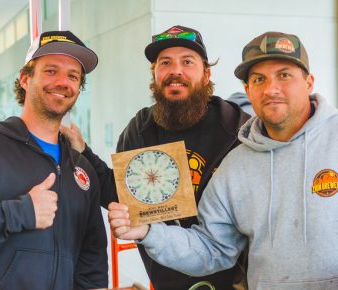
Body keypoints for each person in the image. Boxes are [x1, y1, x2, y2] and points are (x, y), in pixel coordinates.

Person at [109, 31, 338, 289]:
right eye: (259, 79)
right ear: (248, 89)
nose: (271, 89)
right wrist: (147, 232)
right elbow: (213, 247)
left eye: (284, 75)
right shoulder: (236, 165)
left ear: (309, 82)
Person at [63, 25, 250, 290]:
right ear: (155, 73)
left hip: (234, 281)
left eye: (187, 62)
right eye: (165, 63)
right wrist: (84, 153)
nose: (176, 71)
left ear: (207, 74)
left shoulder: (235, 129)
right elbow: (122, 195)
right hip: (167, 280)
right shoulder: (141, 129)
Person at [0, 30, 108, 290]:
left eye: (73, 76)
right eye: (51, 71)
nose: (63, 81)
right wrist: (19, 212)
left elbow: (91, 257)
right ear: (25, 79)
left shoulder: (81, 168)